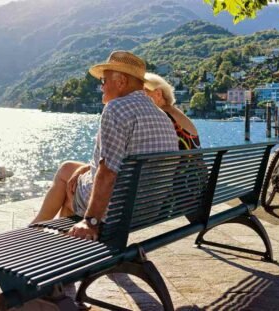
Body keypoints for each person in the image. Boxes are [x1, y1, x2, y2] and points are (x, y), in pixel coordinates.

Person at [32, 51, 179, 240]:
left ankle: (39, 234)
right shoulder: (161, 116)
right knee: (69, 168)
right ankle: (43, 231)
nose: (101, 87)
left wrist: (90, 222)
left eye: (103, 80)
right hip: (148, 209)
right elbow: (123, 157)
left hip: (118, 210)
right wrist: (87, 168)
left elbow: (108, 172)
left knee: (67, 184)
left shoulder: (116, 108)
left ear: (121, 81)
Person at [144, 73, 200, 150]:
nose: (139, 97)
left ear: (158, 94)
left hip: (180, 161)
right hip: (191, 161)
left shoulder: (164, 116)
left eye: (144, 92)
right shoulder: (173, 112)